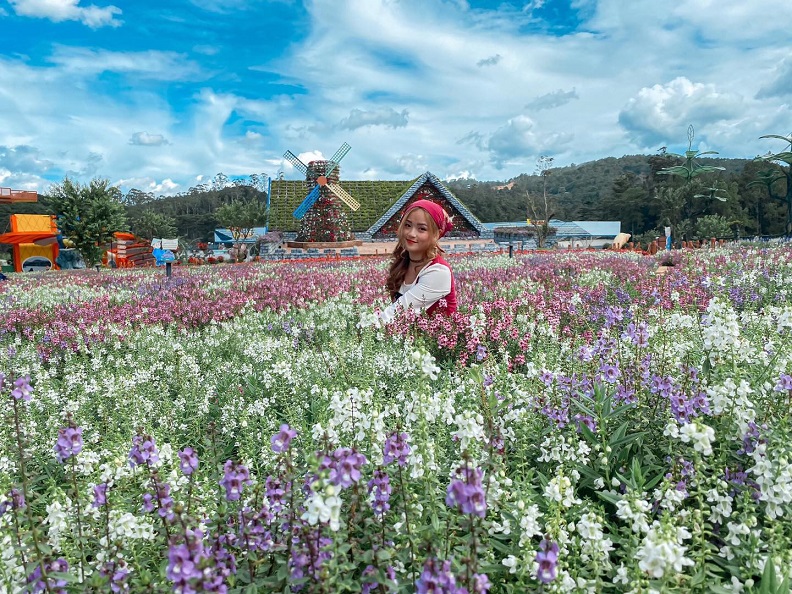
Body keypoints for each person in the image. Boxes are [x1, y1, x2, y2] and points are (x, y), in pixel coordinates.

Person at [377, 199, 457, 324]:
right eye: (407, 225)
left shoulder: (438, 272)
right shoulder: (404, 262)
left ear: (437, 234)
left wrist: (363, 328)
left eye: (422, 229)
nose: (411, 234)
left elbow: (397, 312)